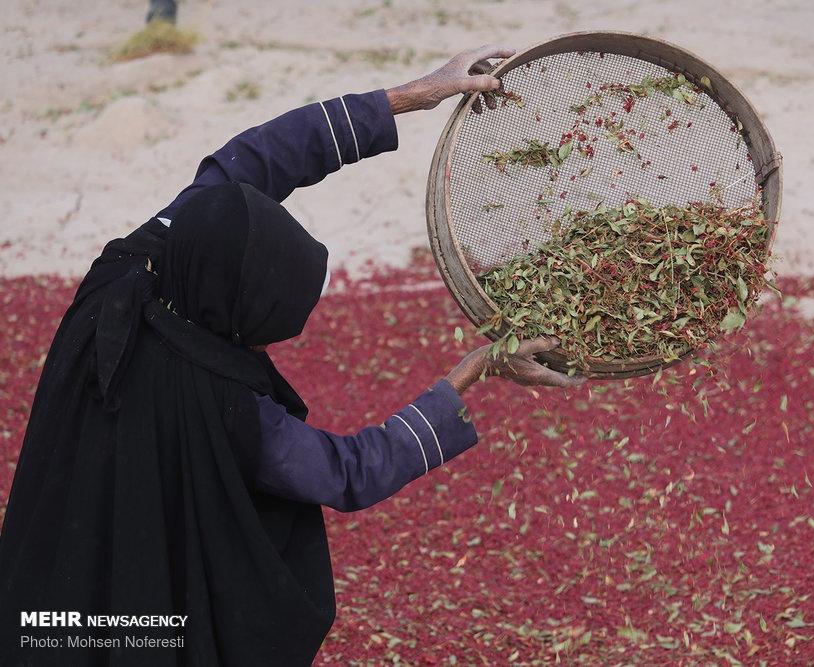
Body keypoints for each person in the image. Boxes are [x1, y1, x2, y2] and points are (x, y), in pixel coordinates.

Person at [0, 45, 582, 666]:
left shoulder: (140, 259)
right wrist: (476, 370)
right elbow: (347, 471)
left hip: (52, 570)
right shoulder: (227, 408)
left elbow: (254, 159)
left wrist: (415, 95)